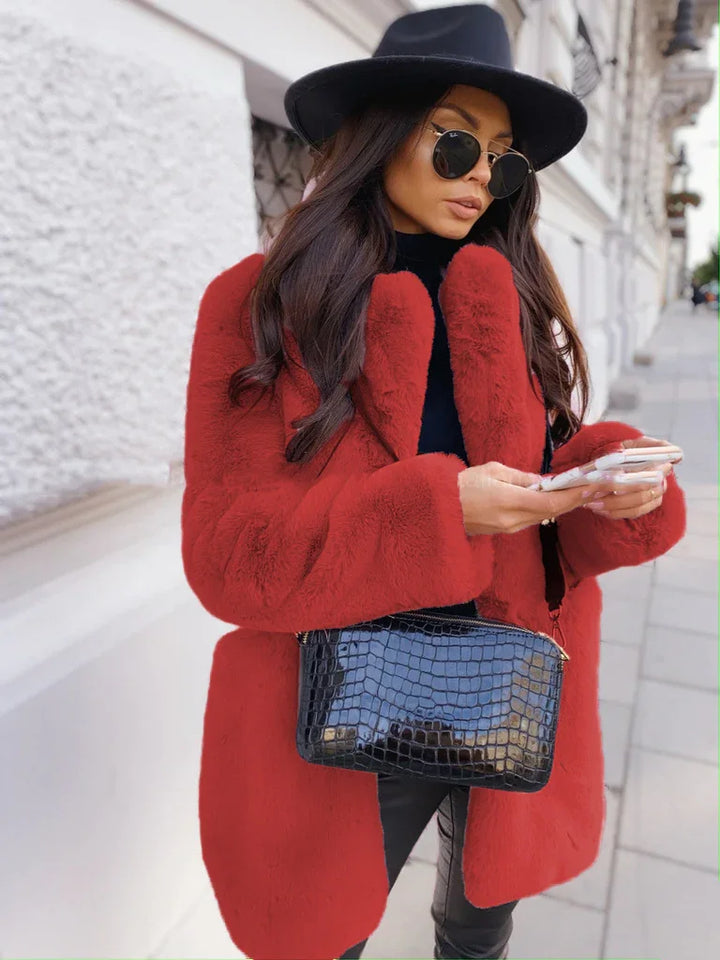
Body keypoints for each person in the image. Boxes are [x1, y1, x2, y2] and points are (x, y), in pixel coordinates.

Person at [180, 5, 686, 959]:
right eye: (457, 141)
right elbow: (226, 557)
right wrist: (433, 514)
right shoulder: (259, 307)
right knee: (324, 937)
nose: (484, 176)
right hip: (337, 697)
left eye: (506, 157)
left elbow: (534, 502)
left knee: (481, 924)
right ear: (382, 132)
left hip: (511, 682)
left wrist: (598, 484)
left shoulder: (509, 289)